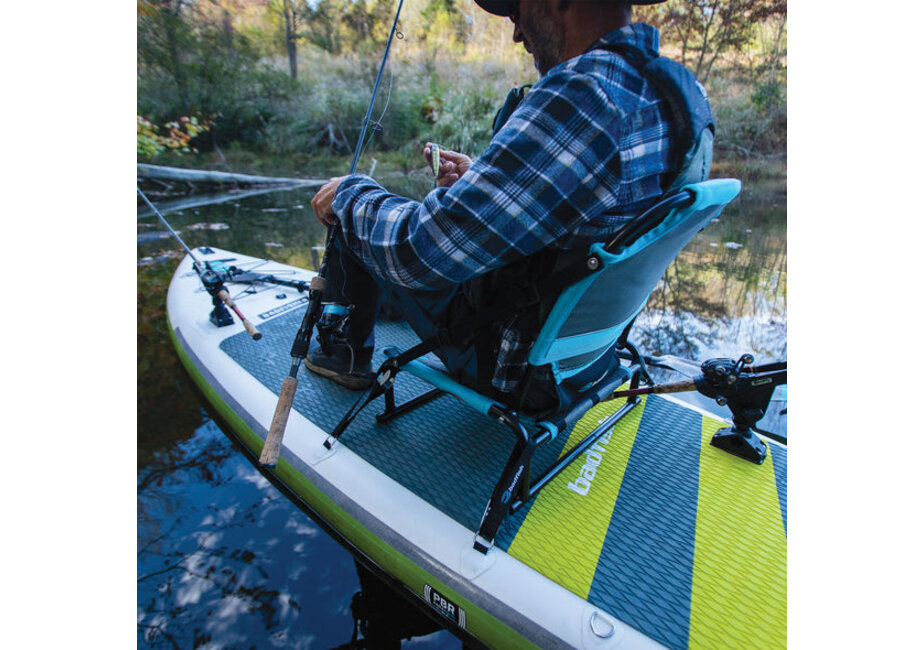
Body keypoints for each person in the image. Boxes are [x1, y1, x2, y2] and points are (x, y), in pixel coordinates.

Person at [308, 0, 709, 414]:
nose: (517, 34)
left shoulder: (585, 95)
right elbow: (597, 211)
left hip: (508, 365)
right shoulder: (680, 94)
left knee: (357, 215)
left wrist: (349, 193)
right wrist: (482, 181)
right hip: (584, 360)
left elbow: (419, 253)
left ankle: (342, 356)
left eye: (517, 12)